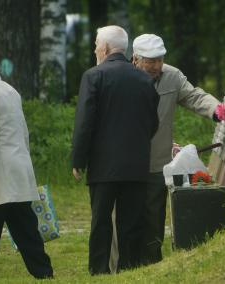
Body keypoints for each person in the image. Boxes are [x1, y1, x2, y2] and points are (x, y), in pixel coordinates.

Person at [118, 34, 225, 265]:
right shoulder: (121, 77)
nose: (157, 66)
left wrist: (216, 109)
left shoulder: (172, 76)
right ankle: (125, 263)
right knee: (126, 214)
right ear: (136, 59)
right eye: (151, 61)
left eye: (160, 60)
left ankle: (152, 262)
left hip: (157, 160)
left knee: (154, 214)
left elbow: (194, 95)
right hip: (125, 160)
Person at [71, 26, 159, 275]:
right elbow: (152, 123)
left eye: (97, 44)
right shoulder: (144, 79)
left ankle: (99, 270)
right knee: (130, 222)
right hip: (136, 164)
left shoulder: (93, 76)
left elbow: (85, 123)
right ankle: (129, 269)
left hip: (103, 165)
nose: (95, 48)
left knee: (101, 221)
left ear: (106, 48)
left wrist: (79, 159)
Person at [0, 50, 53, 280]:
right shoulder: (10, 91)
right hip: (18, 170)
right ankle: (44, 272)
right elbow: (23, 132)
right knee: (26, 231)